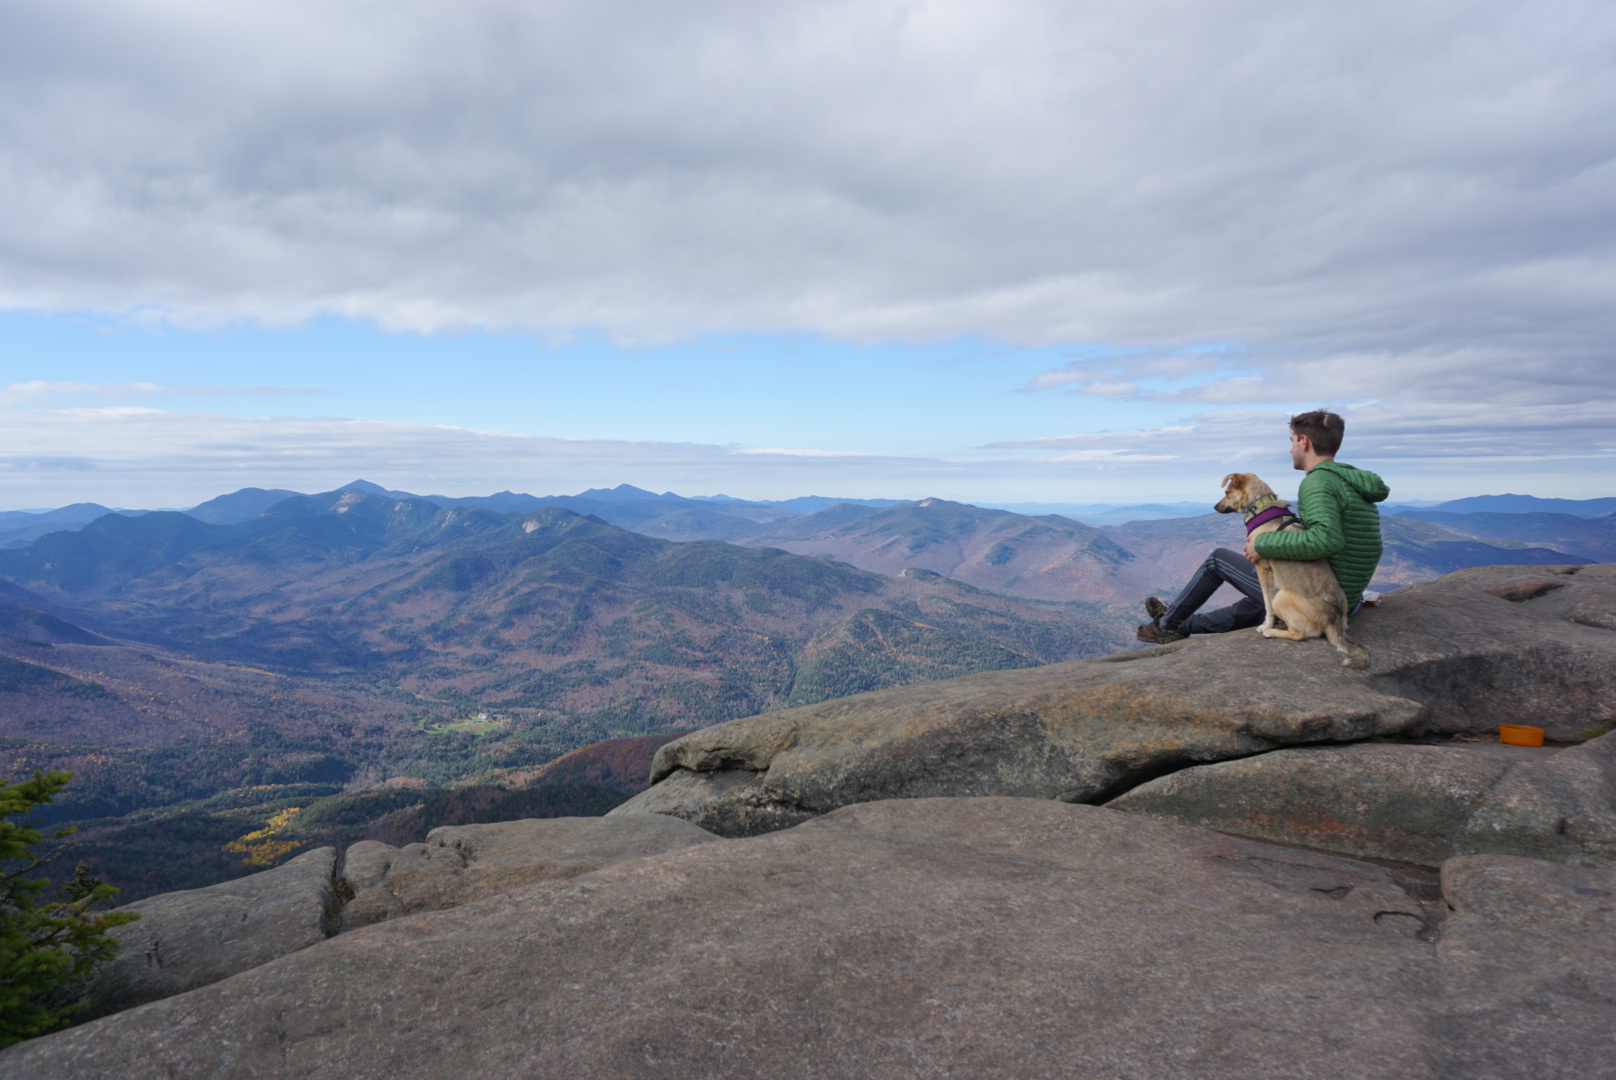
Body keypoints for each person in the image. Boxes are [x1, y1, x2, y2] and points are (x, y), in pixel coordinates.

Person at [1136, 410, 1389, 644]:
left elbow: (1325, 540)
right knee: (1261, 601)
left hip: (1318, 598)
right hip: (1344, 600)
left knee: (1218, 560)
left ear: (1304, 442)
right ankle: (1179, 626)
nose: (1290, 450)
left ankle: (1165, 625)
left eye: (1291, 441)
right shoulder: (1349, 481)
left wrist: (1262, 543)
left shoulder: (1318, 483)